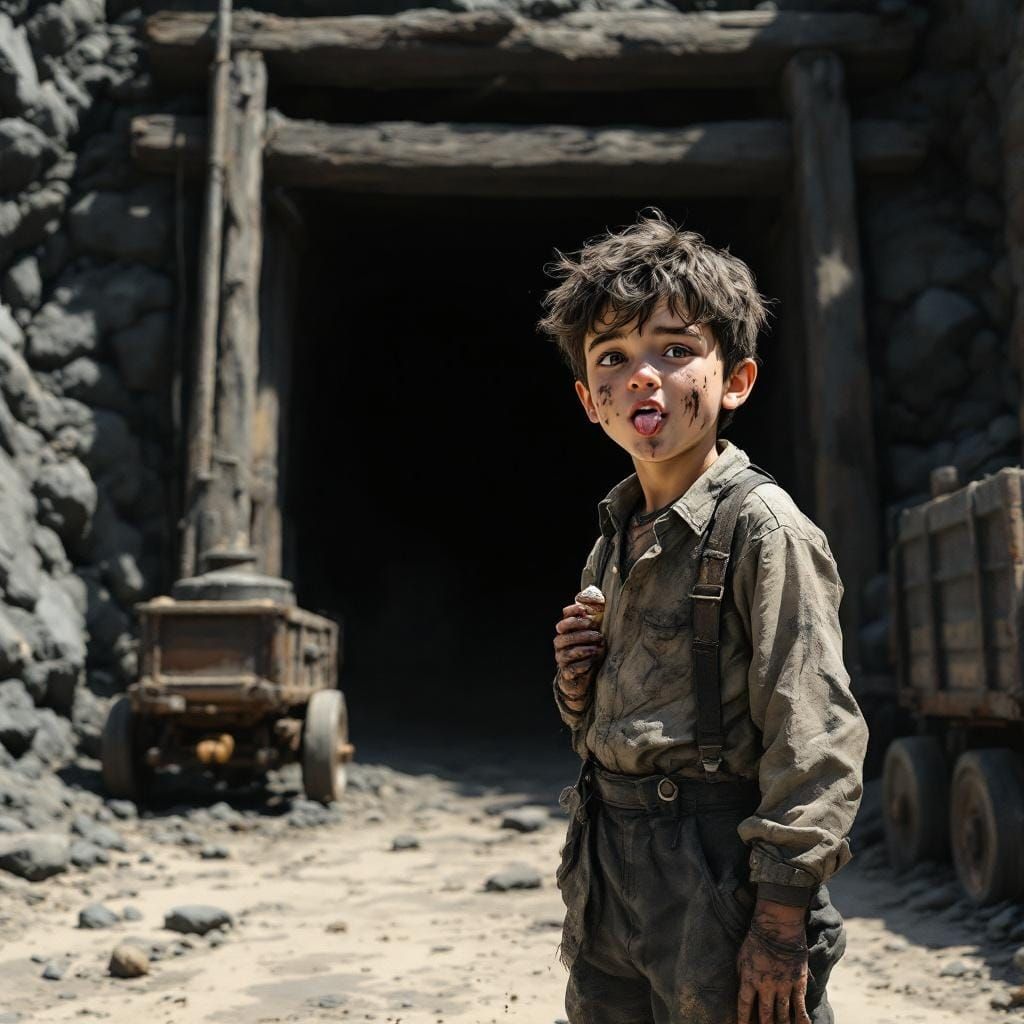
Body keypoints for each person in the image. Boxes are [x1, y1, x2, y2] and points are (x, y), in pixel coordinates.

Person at [538, 211, 868, 1024]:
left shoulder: (765, 530)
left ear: (737, 382)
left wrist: (782, 916)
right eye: (614, 358)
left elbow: (814, 727)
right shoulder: (612, 539)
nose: (643, 376)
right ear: (590, 400)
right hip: (610, 862)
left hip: (716, 863)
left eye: (675, 350)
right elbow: (609, 721)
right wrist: (576, 681)